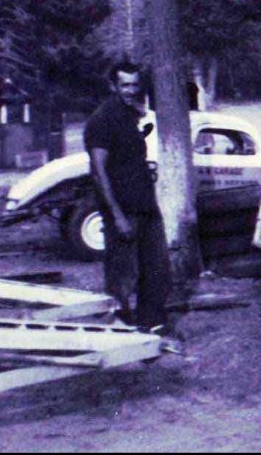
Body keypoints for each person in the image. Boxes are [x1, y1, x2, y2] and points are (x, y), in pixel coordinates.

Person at [84, 61, 172, 338]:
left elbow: (128, 159)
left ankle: (151, 325)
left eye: (135, 84)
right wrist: (117, 215)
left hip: (146, 205)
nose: (131, 90)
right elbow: (99, 173)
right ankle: (120, 331)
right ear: (113, 86)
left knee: (156, 268)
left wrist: (144, 170)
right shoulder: (102, 119)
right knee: (123, 274)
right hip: (123, 210)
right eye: (125, 85)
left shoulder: (131, 116)